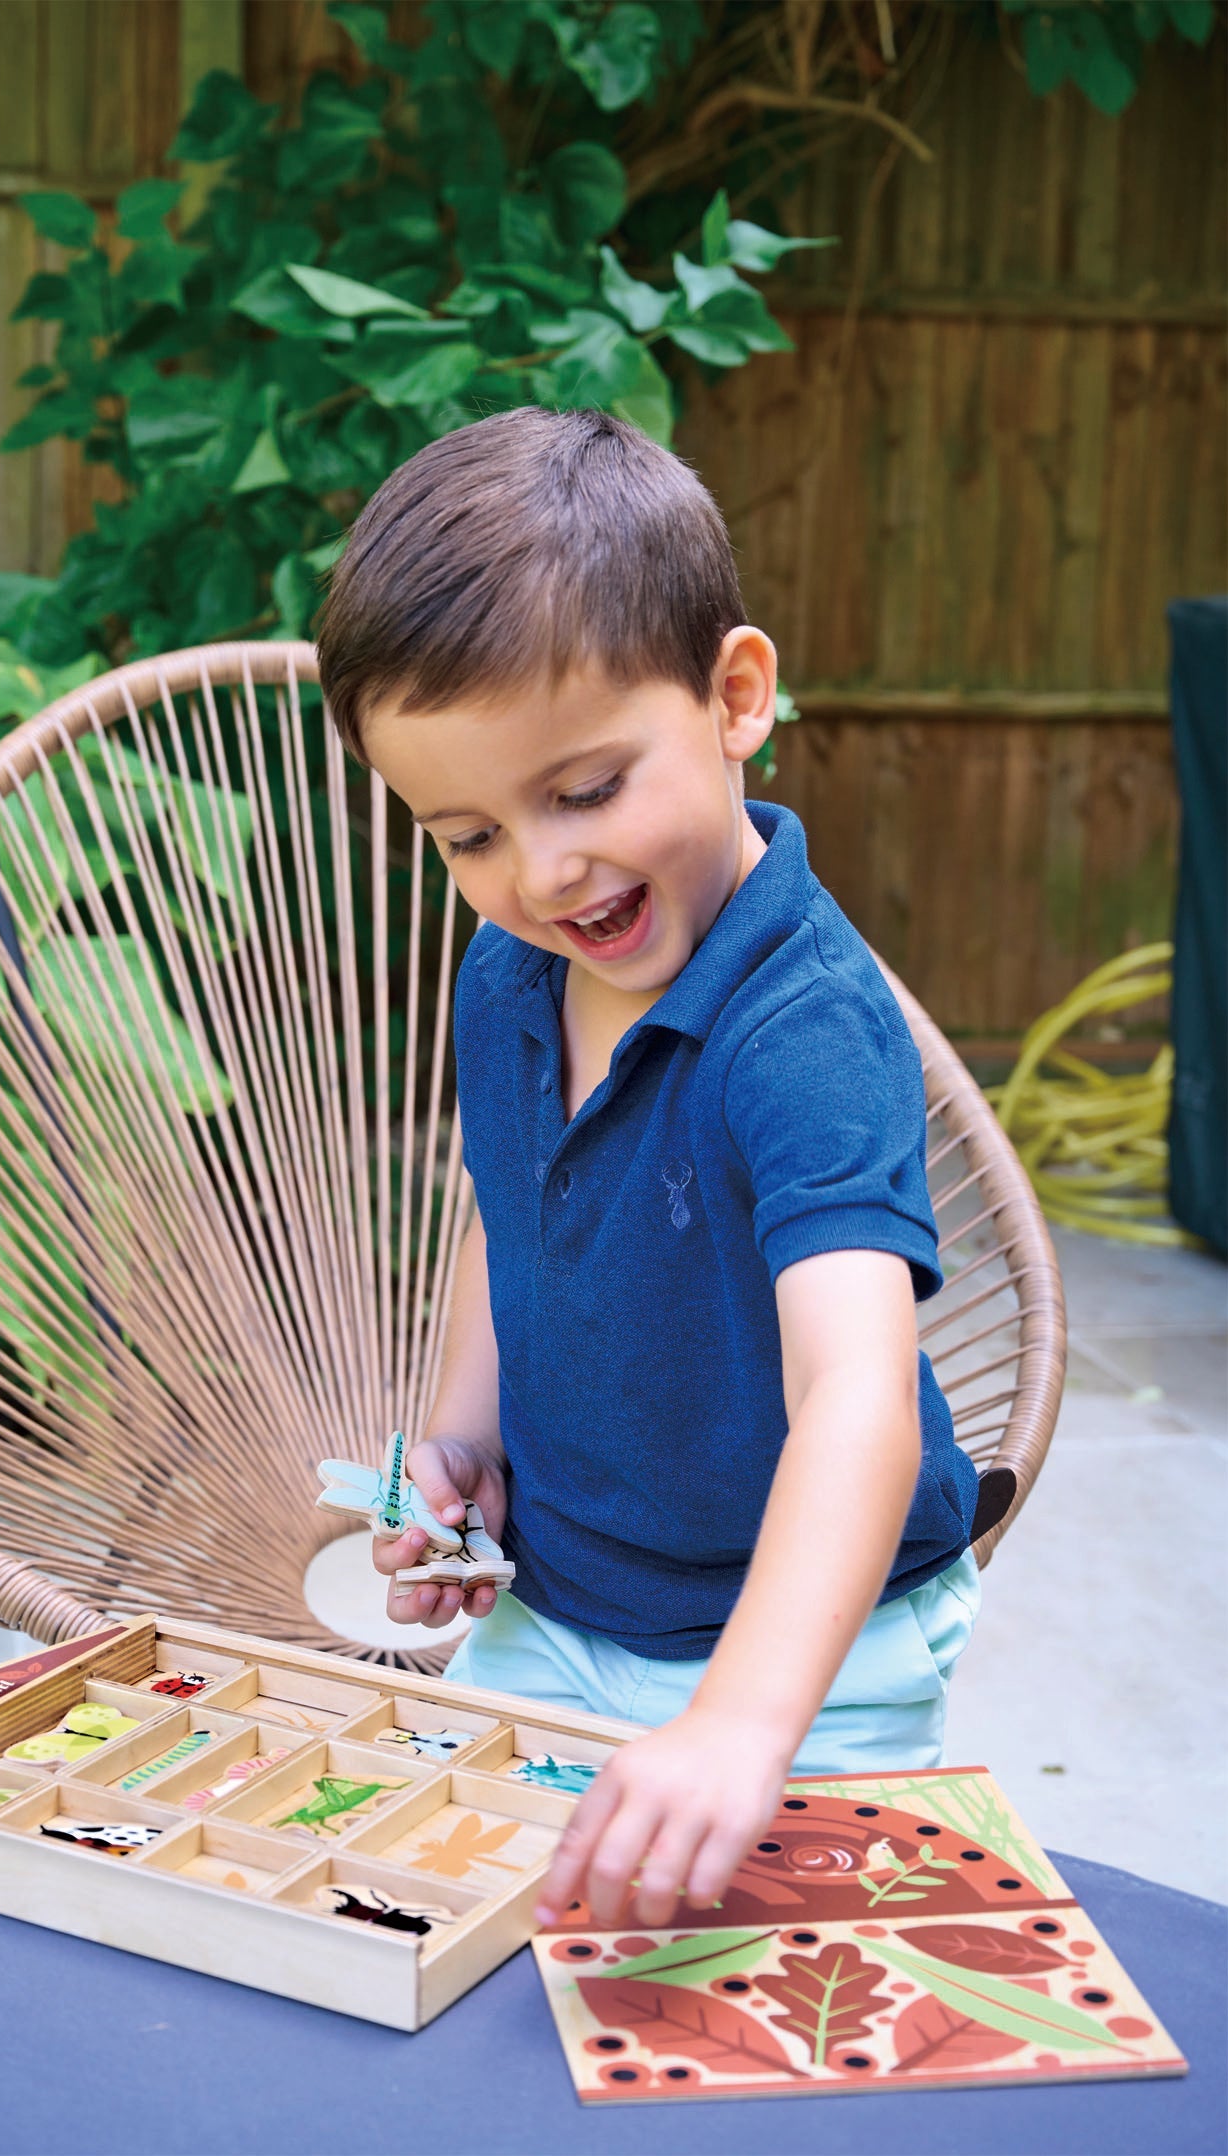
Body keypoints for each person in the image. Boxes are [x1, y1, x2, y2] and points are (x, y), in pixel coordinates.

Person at [314, 406, 981, 1933]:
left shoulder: (800, 1030)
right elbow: (512, 1212)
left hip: (818, 1651)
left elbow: (859, 1400)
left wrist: (745, 1726)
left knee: (764, 1995)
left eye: (588, 791)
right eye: (467, 832)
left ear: (736, 697)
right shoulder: (507, 973)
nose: (540, 875)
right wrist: (457, 1454)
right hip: (555, 1614)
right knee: (458, 1955)